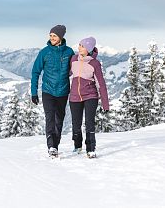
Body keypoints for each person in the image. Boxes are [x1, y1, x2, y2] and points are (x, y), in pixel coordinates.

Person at [31, 25, 74, 158]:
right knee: (50, 118)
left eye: (54, 36)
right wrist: (34, 92)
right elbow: (35, 72)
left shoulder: (69, 52)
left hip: (63, 91)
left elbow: (75, 68)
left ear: (61, 37)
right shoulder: (44, 52)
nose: (52, 38)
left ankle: (56, 144)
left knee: (59, 119)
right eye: (50, 35)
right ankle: (51, 146)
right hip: (48, 91)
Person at [69, 37, 109, 159]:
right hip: (75, 96)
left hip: (90, 96)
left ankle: (91, 148)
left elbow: (101, 84)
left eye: (82, 46)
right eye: (79, 45)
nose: (79, 47)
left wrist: (105, 104)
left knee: (89, 123)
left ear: (88, 48)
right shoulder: (74, 59)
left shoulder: (94, 63)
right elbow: (67, 74)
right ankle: (77, 145)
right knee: (76, 123)